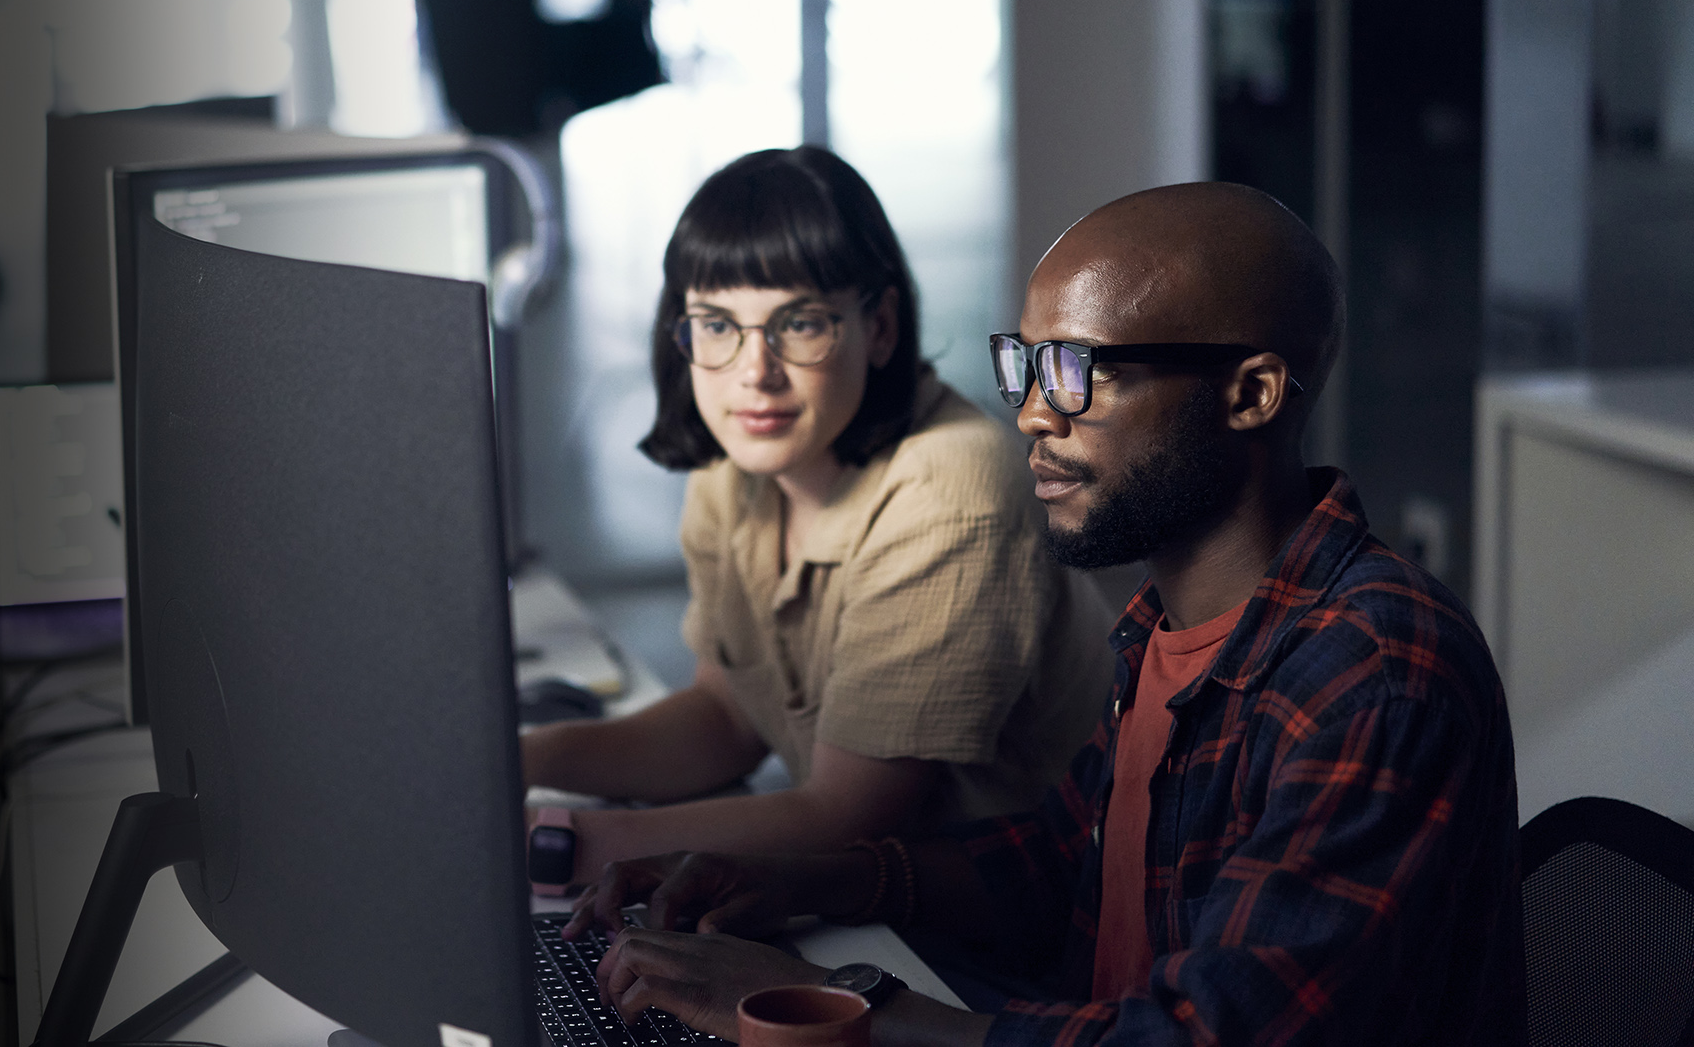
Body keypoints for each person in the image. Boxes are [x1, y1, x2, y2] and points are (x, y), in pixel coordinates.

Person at [567, 182, 1527, 1046]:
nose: (1030, 413)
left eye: (1077, 372)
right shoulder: (1166, 623)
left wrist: (835, 996)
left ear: (1252, 395)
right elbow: (1061, 858)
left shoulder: (1376, 675)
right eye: (1024, 365)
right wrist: (808, 882)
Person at [521, 146, 1111, 885]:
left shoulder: (951, 490)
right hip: (858, 894)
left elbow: (846, 816)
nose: (753, 372)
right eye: (716, 324)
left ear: (882, 327)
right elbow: (728, 717)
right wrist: (521, 763)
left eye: (798, 325)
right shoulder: (739, 457)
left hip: (997, 933)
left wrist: (559, 841)